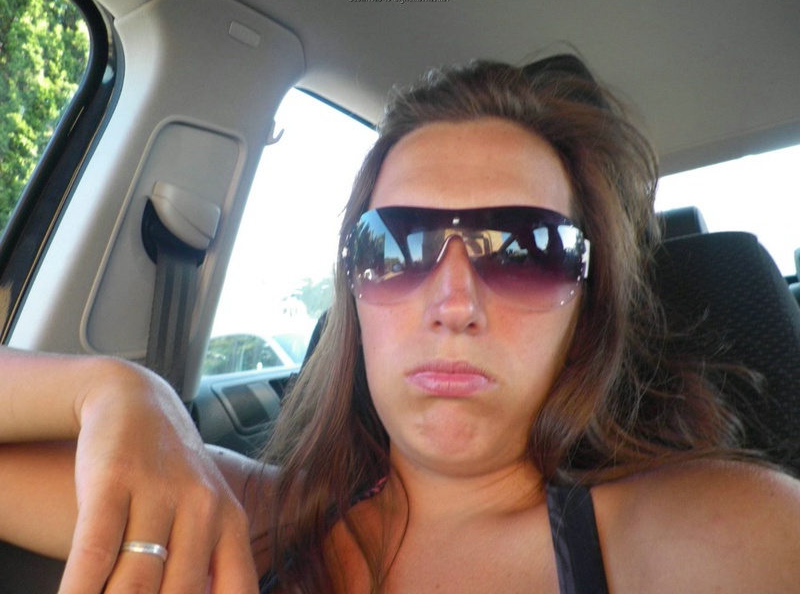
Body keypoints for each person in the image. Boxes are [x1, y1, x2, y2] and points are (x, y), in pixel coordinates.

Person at [1, 56, 799, 594]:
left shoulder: (715, 532)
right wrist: (117, 391)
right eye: (398, 247)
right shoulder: (242, 512)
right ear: (354, 289)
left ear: (585, 307)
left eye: (525, 252)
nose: (454, 304)